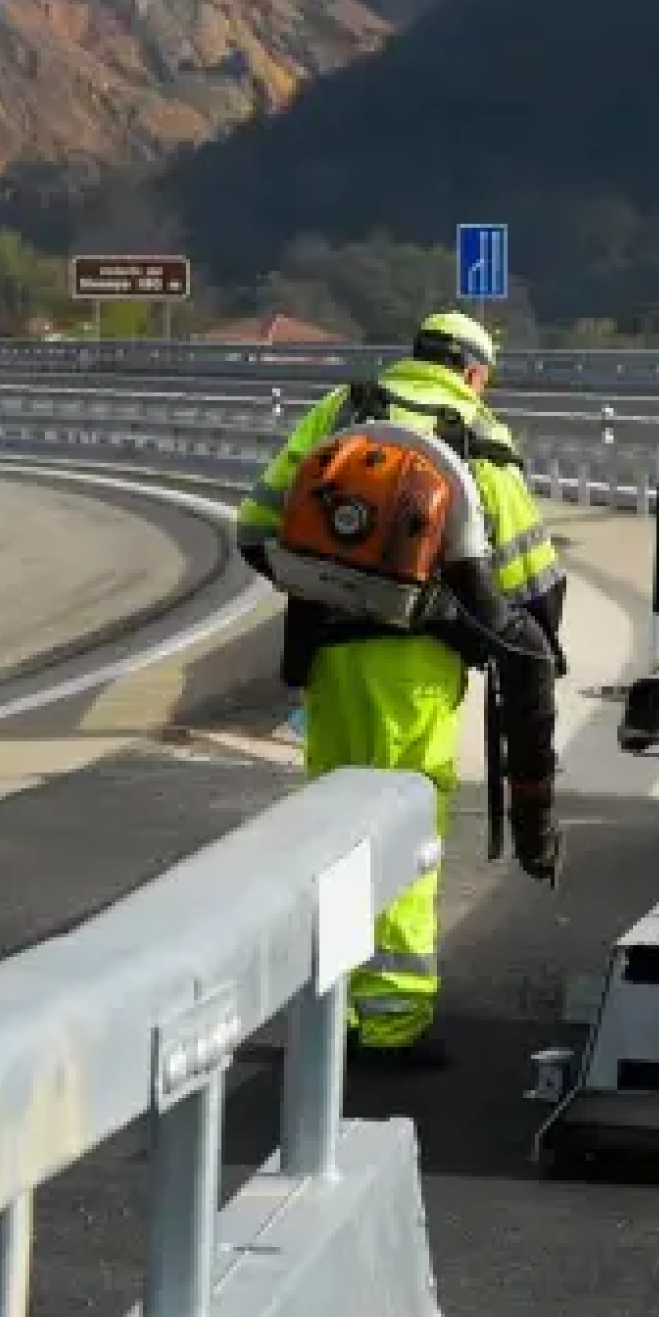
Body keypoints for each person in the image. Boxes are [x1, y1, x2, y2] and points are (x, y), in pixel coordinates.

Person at [237, 310, 566, 1066]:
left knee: (333, 828)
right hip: (414, 672)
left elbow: (256, 526)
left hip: (328, 661)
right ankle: (393, 1019)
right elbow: (529, 582)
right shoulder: (476, 437)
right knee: (404, 834)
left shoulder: (344, 410)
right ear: (475, 372)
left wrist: (333, 588)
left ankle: (334, 1007)